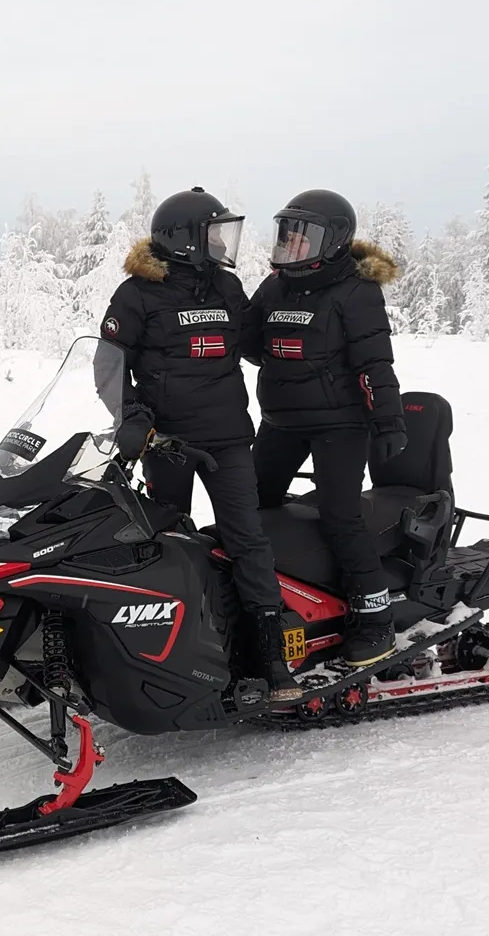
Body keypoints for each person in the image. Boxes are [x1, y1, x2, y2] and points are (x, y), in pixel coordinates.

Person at [101, 186, 302, 702]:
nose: (221, 243)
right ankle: (174, 648)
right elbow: (109, 365)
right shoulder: (136, 293)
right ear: (184, 238)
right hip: (164, 441)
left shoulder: (228, 288)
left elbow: (256, 345)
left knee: (247, 539)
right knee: (166, 540)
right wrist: (130, 415)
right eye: (213, 233)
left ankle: (270, 654)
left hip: (230, 438)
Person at [244, 189, 408, 667]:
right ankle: (275, 600)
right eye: (287, 236)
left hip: (340, 425)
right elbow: (249, 339)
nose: (292, 245)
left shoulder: (356, 292)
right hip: (280, 422)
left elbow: (375, 363)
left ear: (332, 241)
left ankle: (375, 620)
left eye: (303, 237)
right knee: (249, 506)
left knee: (339, 514)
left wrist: (389, 420)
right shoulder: (275, 287)